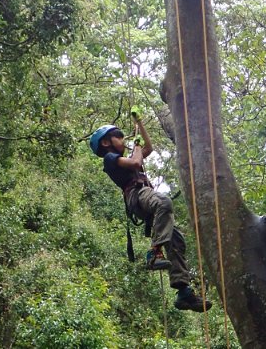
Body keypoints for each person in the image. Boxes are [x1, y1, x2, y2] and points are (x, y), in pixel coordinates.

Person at [89, 107, 212, 312]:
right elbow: (137, 160)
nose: (123, 139)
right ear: (106, 142)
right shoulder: (109, 159)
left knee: (177, 239)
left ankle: (184, 292)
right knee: (164, 202)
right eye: (118, 136)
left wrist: (140, 124)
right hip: (136, 196)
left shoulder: (125, 157)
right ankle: (154, 253)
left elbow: (148, 149)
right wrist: (136, 146)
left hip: (143, 197)